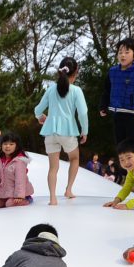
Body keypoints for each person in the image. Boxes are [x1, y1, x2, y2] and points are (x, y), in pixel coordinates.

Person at [34, 57, 89, 204]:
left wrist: (40, 117)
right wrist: (85, 131)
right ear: (75, 72)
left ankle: (53, 198)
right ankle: (68, 189)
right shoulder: (76, 90)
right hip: (68, 131)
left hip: (50, 131)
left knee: (53, 167)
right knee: (74, 158)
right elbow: (83, 113)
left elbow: (38, 109)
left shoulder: (51, 89)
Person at [99, 37, 134, 142]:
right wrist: (103, 105)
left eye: (127, 52)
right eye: (120, 52)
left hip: (132, 115)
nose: (123, 55)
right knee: (119, 144)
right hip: (116, 113)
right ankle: (120, 159)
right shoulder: (112, 72)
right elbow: (107, 91)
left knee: (131, 145)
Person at [0, 134, 34, 208]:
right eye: (5, 144)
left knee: (9, 204)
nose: (7, 146)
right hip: (7, 190)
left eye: (11, 144)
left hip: (21, 192)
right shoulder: (1, 160)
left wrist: (19, 196)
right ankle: (9, 198)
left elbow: (20, 180)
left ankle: (28, 199)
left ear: (16, 146)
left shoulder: (19, 161)